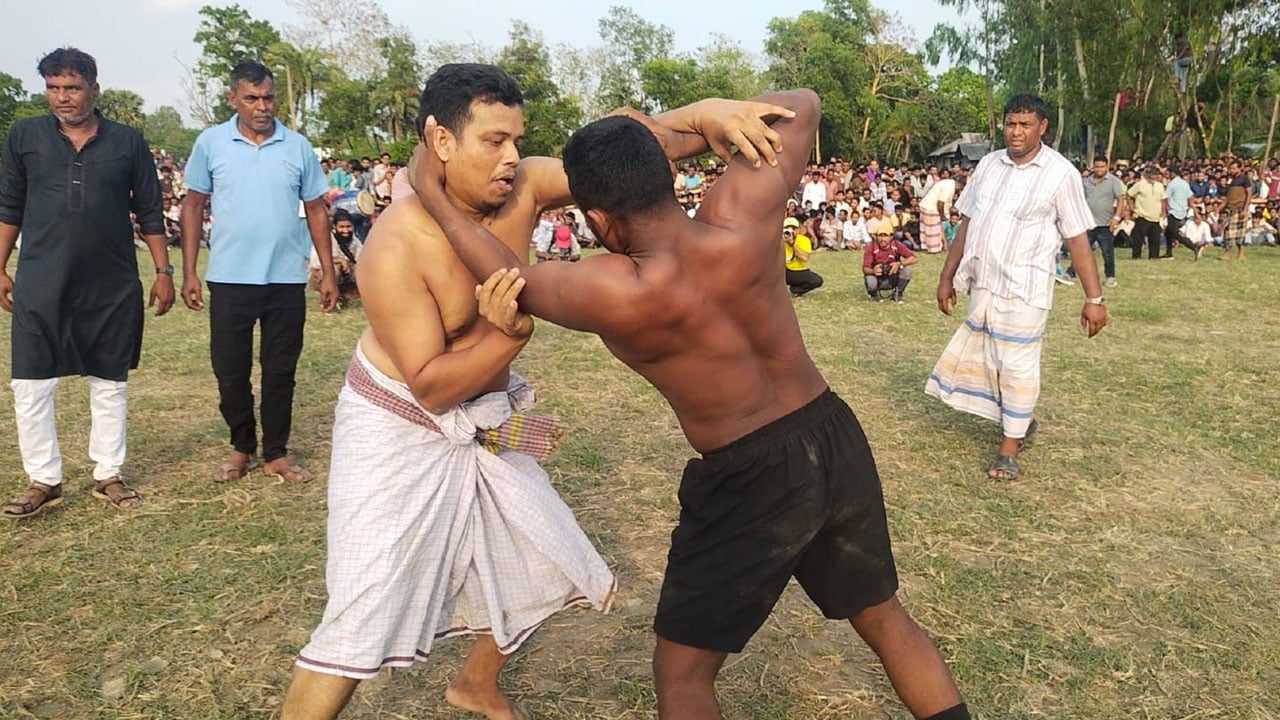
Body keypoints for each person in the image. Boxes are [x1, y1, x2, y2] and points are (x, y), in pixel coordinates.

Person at [416, 90, 970, 720]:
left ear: (596, 220)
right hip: (831, 432)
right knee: (886, 620)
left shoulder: (617, 288)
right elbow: (804, 104)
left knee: (682, 676)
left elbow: (506, 276)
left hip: (751, 474)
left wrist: (431, 192)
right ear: (668, 175)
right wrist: (709, 117)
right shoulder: (740, 213)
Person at [279, 63, 784, 720]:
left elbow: (629, 152)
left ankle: (474, 683)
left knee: (542, 551)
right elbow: (430, 386)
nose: (513, 158)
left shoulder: (526, 188)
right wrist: (509, 338)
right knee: (363, 609)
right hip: (399, 427)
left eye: (517, 140)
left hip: (480, 419)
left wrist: (707, 110)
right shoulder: (397, 246)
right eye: (494, 141)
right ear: (441, 141)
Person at [0, 47, 173, 518]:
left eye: (72, 87)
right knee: (31, 384)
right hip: (41, 278)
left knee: (109, 380)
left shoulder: (127, 141)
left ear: (94, 88)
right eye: (53, 88)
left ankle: (108, 474)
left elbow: (150, 211)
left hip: (110, 281)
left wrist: (163, 272)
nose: (62, 97)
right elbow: (9, 206)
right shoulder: (25, 136)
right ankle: (43, 479)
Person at [926, 93, 1107, 482]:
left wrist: (1094, 298)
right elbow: (967, 223)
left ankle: (1009, 447)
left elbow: (1077, 237)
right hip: (984, 283)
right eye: (1011, 123)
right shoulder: (989, 165)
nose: (1016, 132)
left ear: (1043, 127)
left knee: (1017, 364)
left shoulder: (1060, 173)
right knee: (992, 359)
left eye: (1026, 125)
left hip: (1026, 287)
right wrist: (946, 276)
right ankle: (1020, 420)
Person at [179, 61, 338, 484]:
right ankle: (242, 446)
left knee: (280, 371)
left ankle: (276, 453)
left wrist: (326, 270)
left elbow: (316, 209)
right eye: (251, 98)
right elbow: (192, 205)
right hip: (229, 277)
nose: (261, 107)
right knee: (230, 371)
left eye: (268, 98)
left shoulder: (297, 146)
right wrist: (189, 271)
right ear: (233, 99)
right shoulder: (211, 143)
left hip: (285, 279)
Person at [1073, 157, 1125, 286]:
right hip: (1088, 223)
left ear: (1107, 167)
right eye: (1097, 167)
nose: (1099, 169)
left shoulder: (1113, 181)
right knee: (1081, 251)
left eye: (1102, 167)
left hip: (1105, 224)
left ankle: (1110, 276)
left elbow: (1120, 200)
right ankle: (1070, 273)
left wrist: (1116, 218)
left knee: (1107, 253)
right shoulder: (1086, 181)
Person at [863, 218, 918, 303]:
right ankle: (873, 294)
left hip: (892, 276)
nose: (882, 239)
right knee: (870, 280)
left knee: (908, 269)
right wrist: (873, 271)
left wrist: (899, 264)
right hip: (877, 278)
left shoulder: (896, 244)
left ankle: (897, 293)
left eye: (885, 236)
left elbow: (914, 258)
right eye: (880, 236)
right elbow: (865, 269)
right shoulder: (872, 247)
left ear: (891, 237)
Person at [1126, 165, 1166, 260]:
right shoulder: (1140, 184)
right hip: (1142, 215)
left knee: (1155, 238)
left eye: (1155, 174)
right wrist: (1132, 209)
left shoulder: (1160, 186)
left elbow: (1163, 200)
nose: (1154, 176)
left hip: (1155, 216)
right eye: (1152, 174)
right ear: (1147, 174)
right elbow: (1128, 195)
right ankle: (1136, 256)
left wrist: (1163, 212)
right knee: (1138, 238)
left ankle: (1154, 256)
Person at [1218, 159, 1252, 261]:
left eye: (1234, 168)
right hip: (1231, 208)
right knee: (1231, 230)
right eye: (1231, 168)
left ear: (1240, 168)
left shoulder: (1244, 178)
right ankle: (1237, 253)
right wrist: (1220, 207)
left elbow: (1249, 193)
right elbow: (1229, 196)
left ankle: (1229, 253)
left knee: (1234, 231)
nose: (1231, 170)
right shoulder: (1232, 180)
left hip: (1241, 207)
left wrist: (1245, 209)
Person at [782, 216, 823, 296]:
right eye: (787, 228)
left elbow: (804, 258)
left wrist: (792, 244)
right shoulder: (777, 240)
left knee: (816, 280)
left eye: (793, 229)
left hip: (797, 271)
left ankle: (796, 289)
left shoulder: (804, 240)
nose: (790, 231)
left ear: (798, 229)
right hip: (781, 270)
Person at [919, 174, 960, 253]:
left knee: (928, 229)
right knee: (934, 230)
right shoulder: (949, 188)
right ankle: (933, 249)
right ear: (959, 184)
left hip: (928, 205)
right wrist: (942, 216)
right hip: (931, 207)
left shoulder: (949, 182)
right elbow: (940, 203)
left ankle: (926, 247)